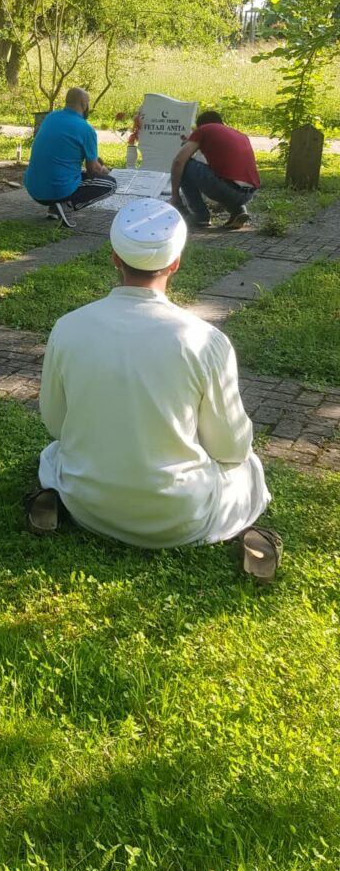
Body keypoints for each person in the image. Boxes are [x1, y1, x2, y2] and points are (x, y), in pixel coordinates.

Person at [28, 198, 279, 575]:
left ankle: (58, 499)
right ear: (175, 263)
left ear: (115, 258)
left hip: (88, 504)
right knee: (248, 469)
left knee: (53, 454)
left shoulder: (68, 327)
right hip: (180, 517)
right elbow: (231, 448)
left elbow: (56, 424)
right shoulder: (205, 341)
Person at [24, 87, 117, 217]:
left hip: (33, 188)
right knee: (111, 184)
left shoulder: (50, 117)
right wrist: (105, 170)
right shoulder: (86, 129)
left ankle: (56, 205)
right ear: (84, 104)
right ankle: (65, 205)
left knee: (63, 169)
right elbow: (92, 170)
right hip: (57, 189)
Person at [171, 109, 260, 231]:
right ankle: (238, 211)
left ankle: (200, 216)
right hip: (248, 193)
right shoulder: (239, 134)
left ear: (200, 126)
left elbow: (178, 161)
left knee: (185, 165)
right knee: (224, 176)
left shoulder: (203, 130)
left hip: (226, 190)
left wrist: (175, 195)